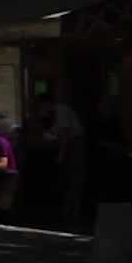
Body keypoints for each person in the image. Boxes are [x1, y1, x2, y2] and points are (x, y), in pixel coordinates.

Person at [37, 93, 86, 227]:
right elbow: (49, 135)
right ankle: (66, 212)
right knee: (66, 181)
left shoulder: (61, 111)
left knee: (74, 179)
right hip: (64, 146)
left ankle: (73, 215)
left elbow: (65, 135)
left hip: (74, 145)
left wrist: (61, 156)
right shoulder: (50, 116)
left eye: (43, 106)